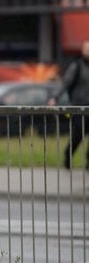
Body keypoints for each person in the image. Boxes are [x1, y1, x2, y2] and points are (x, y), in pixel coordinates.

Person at [50, 39, 89, 170]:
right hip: (79, 108)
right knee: (77, 136)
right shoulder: (77, 66)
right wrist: (55, 97)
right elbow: (65, 83)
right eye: (87, 49)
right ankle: (68, 155)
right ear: (83, 51)